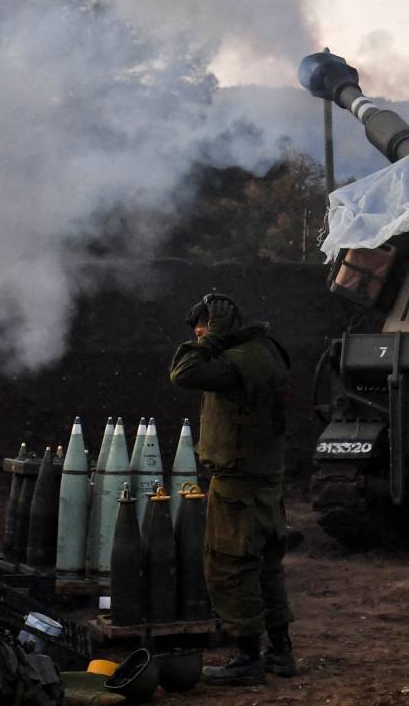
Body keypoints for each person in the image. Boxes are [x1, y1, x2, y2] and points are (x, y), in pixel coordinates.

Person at [170, 293, 297, 685]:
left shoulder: (241, 359)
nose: (199, 338)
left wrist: (212, 338)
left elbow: (183, 373)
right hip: (263, 481)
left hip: (239, 485)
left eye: (201, 330)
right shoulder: (262, 351)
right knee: (266, 569)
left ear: (219, 325)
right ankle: (281, 652)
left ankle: (247, 657)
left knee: (230, 567)